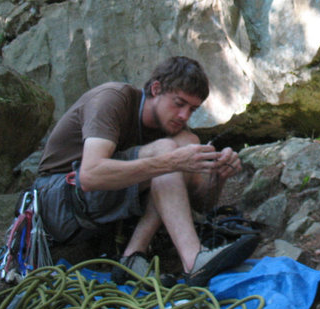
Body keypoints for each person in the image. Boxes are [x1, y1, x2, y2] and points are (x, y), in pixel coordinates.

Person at [33, 56, 258, 285]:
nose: (184, 116)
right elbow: (89, 175)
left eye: (192, 109)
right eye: (179, 103)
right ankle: (193, 259)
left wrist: (218, 178)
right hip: (57, 199)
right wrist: (171, 162)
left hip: (100, 206)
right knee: (169, 152)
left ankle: (133, 257)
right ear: (156, 88)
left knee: (187, 143)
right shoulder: (112, 99)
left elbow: (198, 205)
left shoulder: (173, 130)